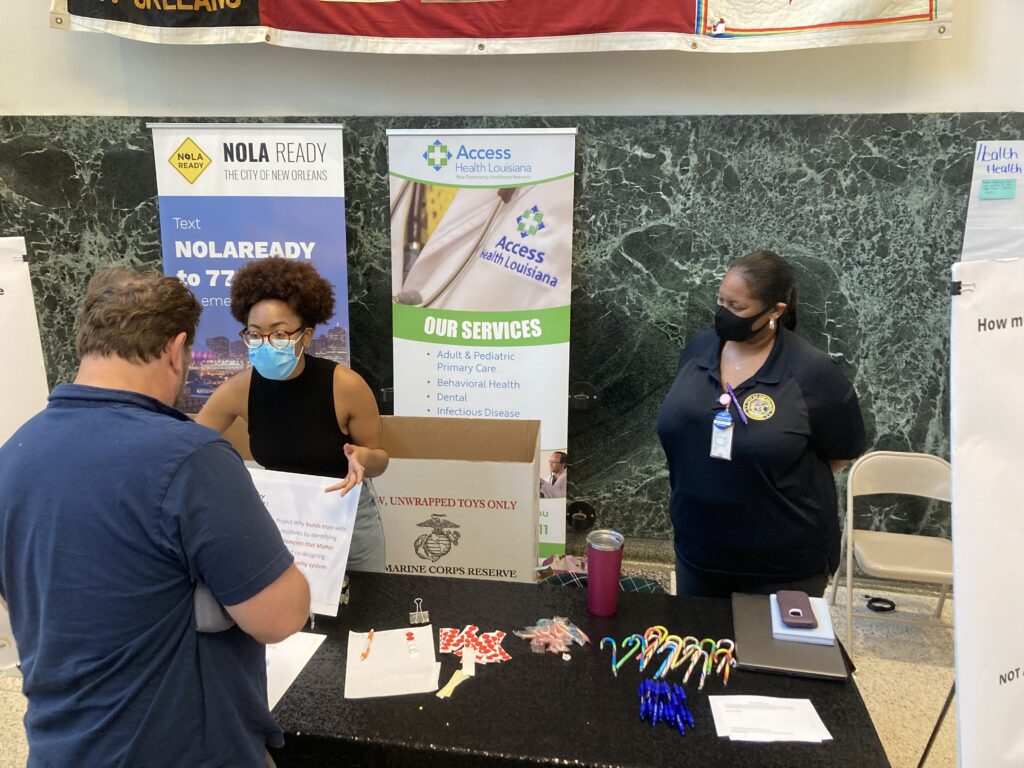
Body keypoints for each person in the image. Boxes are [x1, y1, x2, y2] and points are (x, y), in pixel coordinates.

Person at [0, 268, 310, 766]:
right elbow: (279, 616)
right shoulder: (191, 458)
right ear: (176, 348)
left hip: (60, 748)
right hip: (180, 749)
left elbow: (21, 597)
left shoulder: (12, 454)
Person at [657, 250, 865, 599]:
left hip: (781, 567)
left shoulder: (813, 374)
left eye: (737, 308)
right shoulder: (699, 349)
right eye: (721, 300)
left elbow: (839, 454)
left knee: (771, 656)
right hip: (699, 552)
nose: (724, 313)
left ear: (776, 311)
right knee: (704, 650)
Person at [197, 259, 390, 572]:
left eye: (279, 334)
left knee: (364, 609)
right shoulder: (239, 388)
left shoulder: (345, 386)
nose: (266, 344)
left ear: (306, 336)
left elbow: (381, 460)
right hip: (282, 522)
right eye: (255, 334)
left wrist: (363, 457)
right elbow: (193, 442)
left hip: (346, 518)